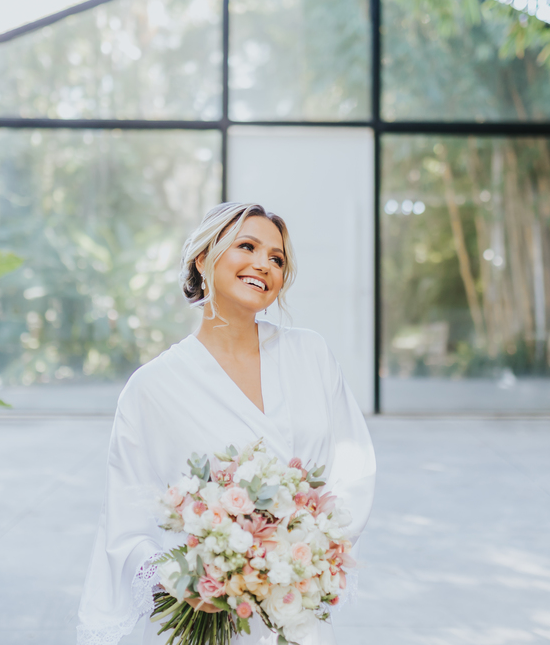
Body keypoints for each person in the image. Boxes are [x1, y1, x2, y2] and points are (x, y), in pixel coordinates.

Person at [76, 202, 377, 645]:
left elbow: (353, 468)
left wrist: (303, 553)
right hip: (207, 612)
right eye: (247, 246)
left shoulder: (311, 356)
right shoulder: (152, 387)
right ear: (202, 258)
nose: (264, 264)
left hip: (293, 604)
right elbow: (128, 515)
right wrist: (190, 576)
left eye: (277, 259)